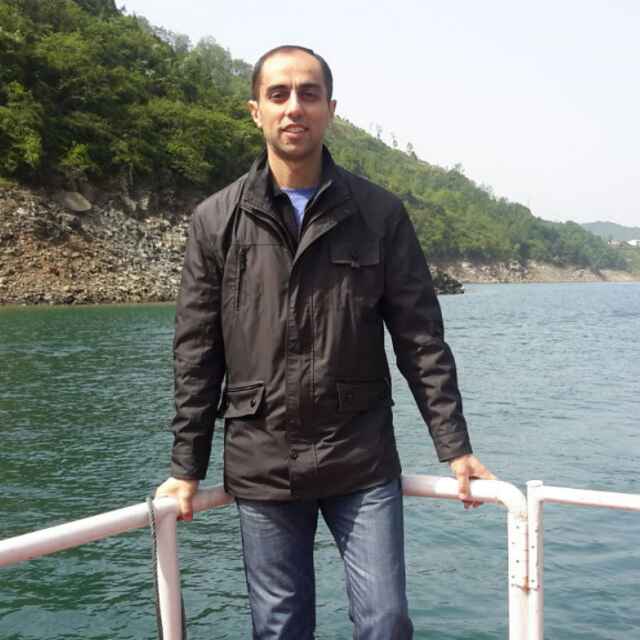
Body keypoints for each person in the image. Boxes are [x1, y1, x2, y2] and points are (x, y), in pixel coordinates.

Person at [155, 44, 495, 639]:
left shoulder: (378, 213)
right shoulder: (217, 220)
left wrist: (454, 446)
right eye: (278, 94)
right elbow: (197, 352)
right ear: (256, 111)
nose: (294, 107)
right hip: (262, 458)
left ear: (330, 110)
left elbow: (420, 338)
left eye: (309, 94)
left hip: (359, 456)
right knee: (280, 627)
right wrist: (187, 465)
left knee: (385, 620)